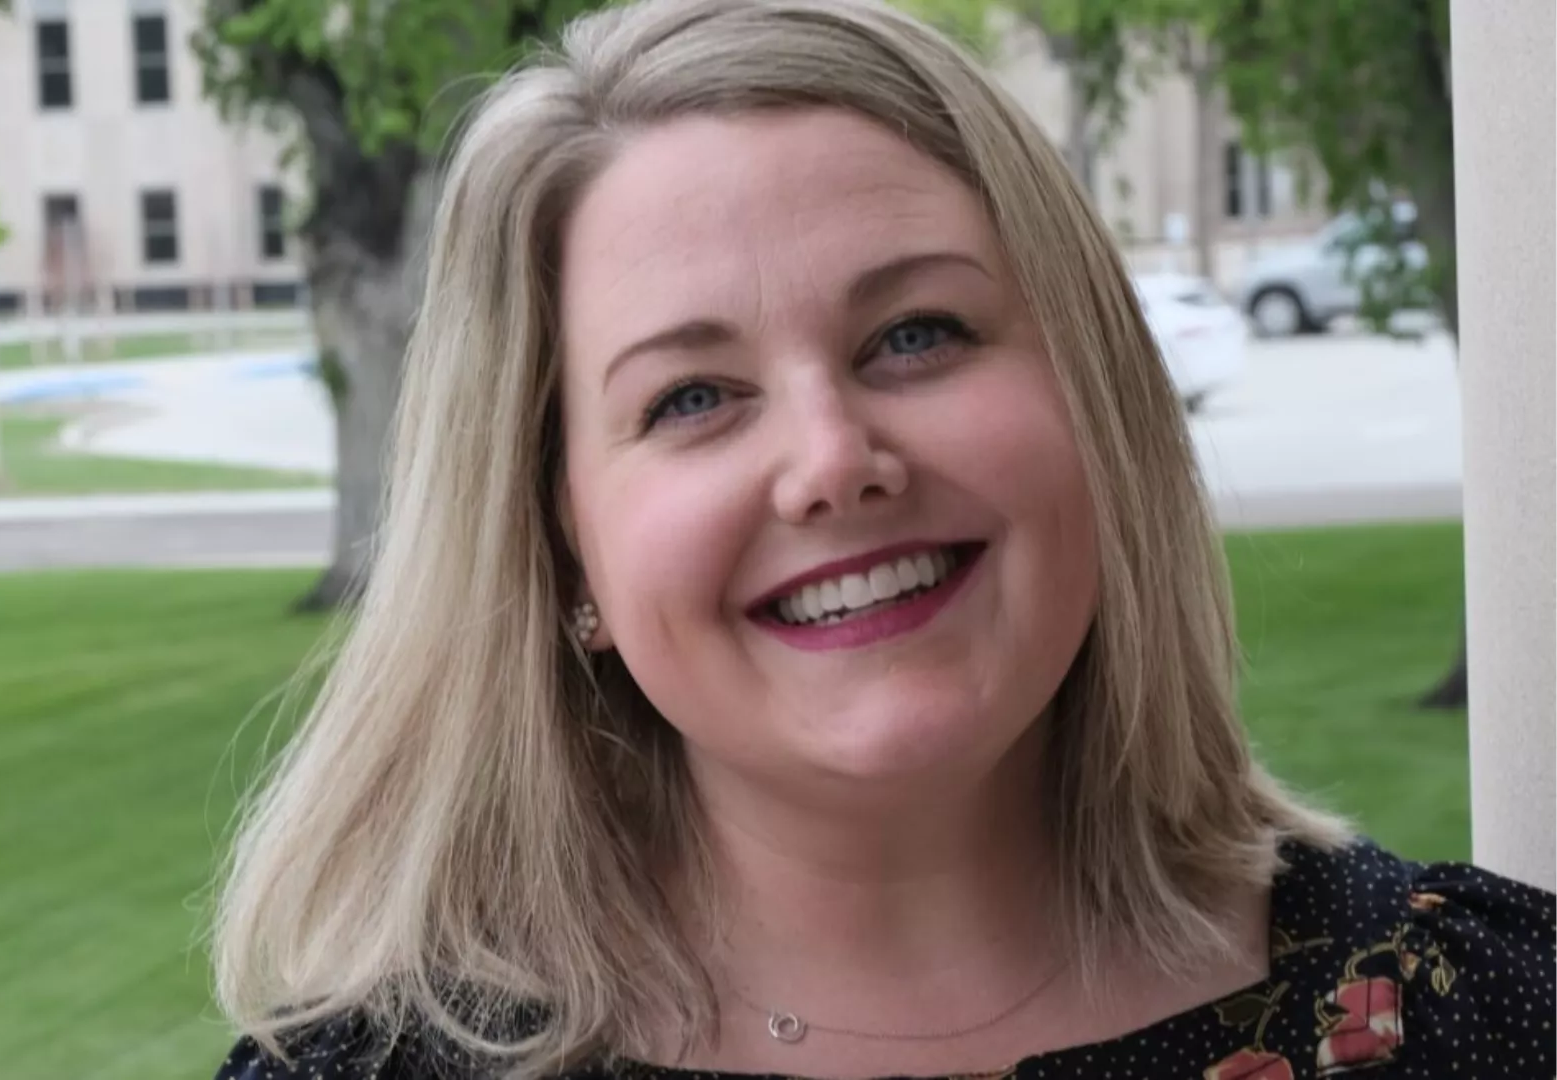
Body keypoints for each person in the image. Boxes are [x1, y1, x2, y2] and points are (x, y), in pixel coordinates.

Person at [211, 0, 1557, 1077]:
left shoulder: (1481, 1014)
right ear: (564, 557)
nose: (834, 462)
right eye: (693, 397)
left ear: (1098, 405)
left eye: (915, 334)